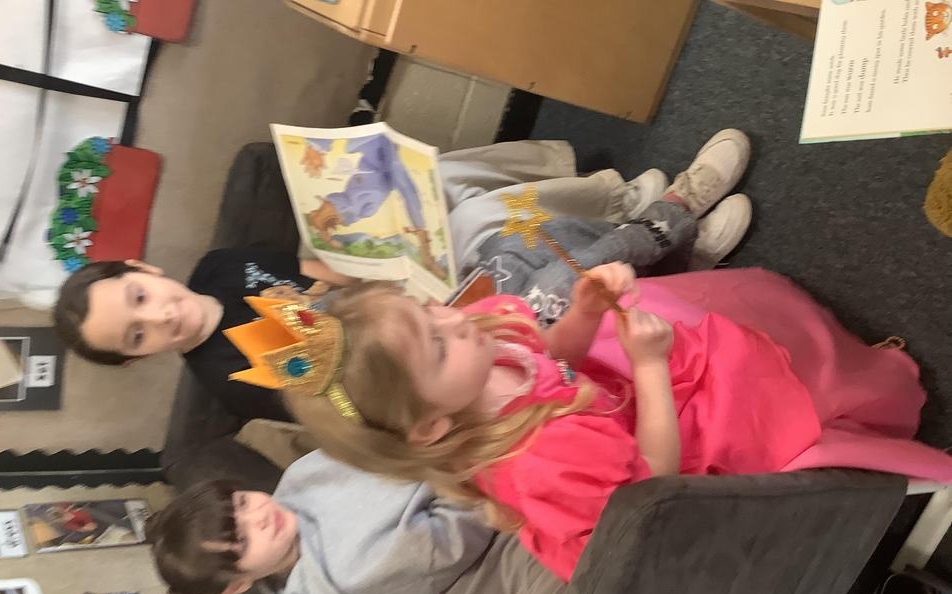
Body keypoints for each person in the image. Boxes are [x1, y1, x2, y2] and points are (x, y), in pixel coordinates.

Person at [277, 268, 952, 582]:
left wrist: (585, 312)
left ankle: (839, 366)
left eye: (429, 310)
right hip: (644, 477)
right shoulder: (544, 459)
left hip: (610, 414)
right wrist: (649, 367)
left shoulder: (480, 339)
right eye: (436, 345)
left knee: (705, 317)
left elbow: (552, 355)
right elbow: (655, 482)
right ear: (428, 426)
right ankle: (861, 406)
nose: (454, 317)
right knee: (757, 391)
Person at [51, 133, 750, 422]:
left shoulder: (215, 266)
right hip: (401, 349)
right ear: (139, 356)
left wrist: (376, 250)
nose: (159, 316)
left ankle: (621, 209)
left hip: (393, 294)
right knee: (512, 260)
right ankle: (674, 240)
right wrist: (383, 303)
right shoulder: (224, 373)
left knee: (456, 201)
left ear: (143, 267)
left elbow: (315, 272)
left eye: (139, 297)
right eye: (137, 334)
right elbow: (343, 385)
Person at [145, 454, 564, 594]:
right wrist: (456, 457)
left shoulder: (298, 480)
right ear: (237, 586)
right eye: (241, 539)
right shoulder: (346, 576)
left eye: (240, 502)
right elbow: (463, 532)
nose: (259, 516)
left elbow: (375, 449)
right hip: (484, 558)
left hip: (451, 487)